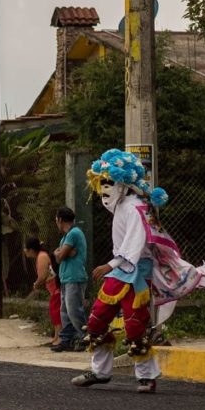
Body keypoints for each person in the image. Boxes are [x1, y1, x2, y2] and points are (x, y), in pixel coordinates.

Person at [72, 149, 165, 394]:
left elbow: (135, 244)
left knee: (135, 325)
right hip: (119, 271)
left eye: (108, 182)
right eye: (101, 182)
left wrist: (109, 265)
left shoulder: (136, 209)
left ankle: (147, 377)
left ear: (122, 183)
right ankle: (100, 372)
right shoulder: (122, 205)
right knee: (97, 318)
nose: (103, 188)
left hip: (135, 272)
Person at [53, 207, 88, 352]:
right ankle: (67, 339)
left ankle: (85, 336)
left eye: (56, 220)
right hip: (66, 277)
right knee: (65, 311)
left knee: (74, 310)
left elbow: (59, 256)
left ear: (60, 220)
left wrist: (60, 253)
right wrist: (62, 252)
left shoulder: (73, 233)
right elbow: (60, 255)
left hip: (74, 277)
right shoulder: (65, 237)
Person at [24, 237, 62, 347]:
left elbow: (43, 275)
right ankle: (56, 336)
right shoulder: (41, 255)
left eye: (26, 248)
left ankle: (59, 336)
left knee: (55, 311)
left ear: (31, 250)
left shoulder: (41, 257)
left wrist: (36, 283)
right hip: (52, 288)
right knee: (54, 310)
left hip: (55, 287)